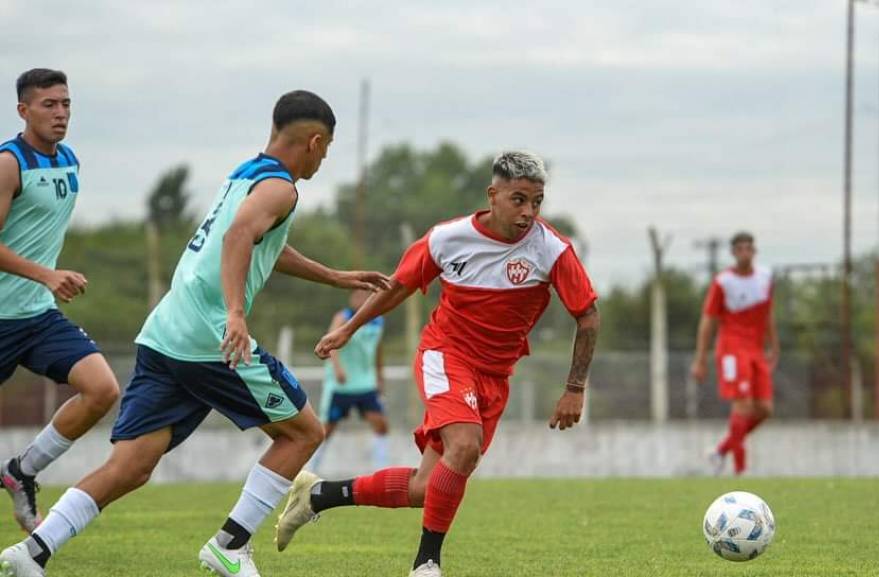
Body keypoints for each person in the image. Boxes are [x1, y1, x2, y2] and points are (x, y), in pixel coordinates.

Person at [0, 90, 391, 577]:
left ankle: (31, 553)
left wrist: (335, 276)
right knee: (304, 432)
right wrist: (235, 313)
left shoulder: (246, 175)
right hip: (209, 340)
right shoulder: (282, 189)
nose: (324, 158)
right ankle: (231, 544)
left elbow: (261, 244)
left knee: (131, 467)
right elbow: (237, 238)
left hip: (166, 332)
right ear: (314, 142)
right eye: (327, 148)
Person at [274, 151, 600, 577]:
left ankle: (317, 496)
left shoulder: (550, 248)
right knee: (464, 446)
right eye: (519, 200)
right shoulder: (448, 238)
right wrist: (348, 329)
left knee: (425, 489)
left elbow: (588, 315)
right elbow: (397, 287)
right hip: (446, 355)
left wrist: (575, 387)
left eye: (536, 202)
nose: (528, 212)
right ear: (493, 194)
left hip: (495, 376)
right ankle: (427, 563)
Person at [0, 69, 121, 534]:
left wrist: (48, 280)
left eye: (66, 103)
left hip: (37, 317)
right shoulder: (10, 163)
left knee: (103, 389)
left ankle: (21, 471)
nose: (60, 113)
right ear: (23, 111)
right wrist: (47, 274)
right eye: (49, 104)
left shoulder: (69, 160)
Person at [691, 232, 779, 476]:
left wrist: (773, 344)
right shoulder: (723, 282)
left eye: (748, 248)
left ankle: (720, 451)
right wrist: (701, 358)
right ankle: (740, 470)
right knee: (743, 405)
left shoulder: (765, 278)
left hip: (756, 349)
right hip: (731, 349)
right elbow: (708, 321)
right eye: (739, 248)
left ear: (754, 251)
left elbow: (767, 313)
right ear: (733, 253)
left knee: (764, 409)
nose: (744, 252)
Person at [309, 288, 390, 473]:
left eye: (365, 296)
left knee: (380, 423)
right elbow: (330, 342)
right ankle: (310, 470)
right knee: (326, 430)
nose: (360, 299)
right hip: (341, 385)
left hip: (366, 384)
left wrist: (379, 377)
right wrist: (337, 368)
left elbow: (377, 350)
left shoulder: (377, 321)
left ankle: (382, 469)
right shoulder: (343, 317)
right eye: (357, 295)